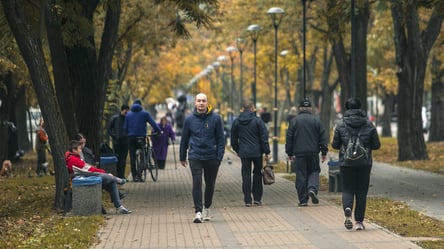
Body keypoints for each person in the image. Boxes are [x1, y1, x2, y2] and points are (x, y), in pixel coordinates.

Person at [331, 97, 380, 231]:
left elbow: (335, 145)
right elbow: (376, 145)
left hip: (346, 163)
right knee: (361, 192)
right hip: (364, 163)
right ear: (360, 108)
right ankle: (359, 221)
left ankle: (347, 209)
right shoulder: (369, 124)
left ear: (348, 109)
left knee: (347, 189)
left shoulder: (341, 124)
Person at [179, 93, 225, 223]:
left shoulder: (216, 118)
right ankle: (198, 211)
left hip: (212, 156)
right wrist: (182, 156)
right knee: (197, 182)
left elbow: (221, 139)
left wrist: (219, 157)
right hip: (195, 155)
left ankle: (207, 207)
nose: (201, 103)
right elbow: (184, 139)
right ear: (195, 103)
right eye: (198, 101)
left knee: (210, 184)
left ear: (207, 103)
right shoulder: (189, 120)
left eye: (203, 101)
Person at [65, 140, 131, 214]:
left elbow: (88, 169)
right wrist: (105, 173)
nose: (81, 150)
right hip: (83, 179)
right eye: (79, 149)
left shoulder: (74, 157)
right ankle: (118, 180)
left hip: (86, 177)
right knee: (108, 178)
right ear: (74, 150)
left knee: (111, 182)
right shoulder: (73, 159)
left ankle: (119, 207)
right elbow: (89, 170)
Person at [285, 99, 328, 207]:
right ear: (310, 109)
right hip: (313, 152)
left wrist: (289, 153)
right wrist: (324, 152)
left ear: (300, 109)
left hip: (299, 153)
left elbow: (289, 138)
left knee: (301, 175)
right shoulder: (316, 121)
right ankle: (312, 188)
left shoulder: (294, 121)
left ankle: (303, 200)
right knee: (314, 171)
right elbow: (323, 137)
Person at [230, 101, 270, 207]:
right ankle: (257, 198)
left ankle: (247, 199)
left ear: (243, 109)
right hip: (257, 152)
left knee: (246, 174)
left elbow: (233, 139)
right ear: (252, 109)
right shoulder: (258, 121)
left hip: (244, 152)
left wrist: (238, 150)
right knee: (257, 174)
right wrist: (267, 151)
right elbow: (264, 137)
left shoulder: (237, 122)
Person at [124, 99, 162, 182]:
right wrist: (159, 131)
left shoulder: (128, 114)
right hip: (141, 137)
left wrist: (129, 134)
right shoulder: (145, 113)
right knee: (142, 155)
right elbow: (153, 123)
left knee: (132, 157)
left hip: (131, 138)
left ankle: (134, 176)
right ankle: (139, 173)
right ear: (141, 105)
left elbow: (125, 128)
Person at [107, 104, 130, 179]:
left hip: (125, 142)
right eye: (125, 111)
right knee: (117, 159)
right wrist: (114, 136)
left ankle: (122, 176)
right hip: (117, 142)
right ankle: (117, 176)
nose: (126, 113)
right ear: (122, 110)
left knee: (123, 160)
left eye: (127, 111)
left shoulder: (128, 119)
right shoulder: (115, 118)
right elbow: (109, 129)